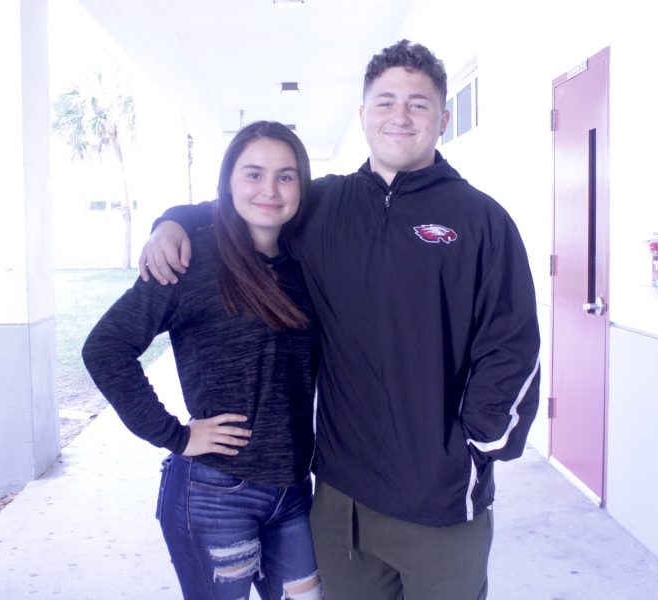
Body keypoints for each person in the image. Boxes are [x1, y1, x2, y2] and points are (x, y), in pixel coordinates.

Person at [140, 40, 541, 600]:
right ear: (363, 115)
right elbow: (250, 203)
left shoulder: (481, 221)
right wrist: (172, 221)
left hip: (441, 502)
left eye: (418, 103)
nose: (400, 116)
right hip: (339, 503)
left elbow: (513, 344)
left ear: (444, 118)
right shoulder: (323, 205)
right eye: (385, 102)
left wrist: (474, 446)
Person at [82, 121, 324, 600]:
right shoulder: (191, 260)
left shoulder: (306, 259)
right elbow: (106, 347)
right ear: (228, 182)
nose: (269, 190)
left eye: (285, 176)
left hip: (294, 491)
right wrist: (175, 434)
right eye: (253, 174)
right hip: (216, 493)